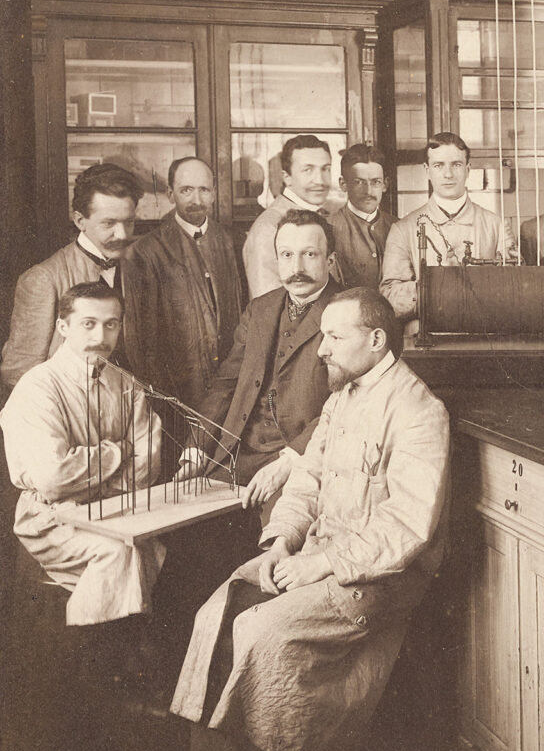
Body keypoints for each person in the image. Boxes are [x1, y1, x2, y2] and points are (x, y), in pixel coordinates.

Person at [169, 287, 450, 751]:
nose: (320, 350)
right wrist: (281, 542)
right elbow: (306, 482)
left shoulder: (419, 410)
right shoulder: (343, 400)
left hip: (380, 576)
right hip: (316, 555)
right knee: (216, 614)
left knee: (265, 637)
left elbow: (408, 528)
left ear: (377, 340)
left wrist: (318, 565)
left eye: (334, 338)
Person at [0, 282, 163, 626]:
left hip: (116, 510)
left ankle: (119, 652)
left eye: (111, 324)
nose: (100, 336)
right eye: (88, 323)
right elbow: (53, 479)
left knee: (153, 547)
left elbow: (148, 467)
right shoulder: (38, 387)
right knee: (119, 553)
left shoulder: (128, 386)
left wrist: (90, 471)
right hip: (51, 519)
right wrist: (119, 452)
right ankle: (92, 649)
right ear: (63, 327)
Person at [182, 208, 340, 522]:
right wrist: (196, 449)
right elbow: (226, 384)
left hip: (301, 457)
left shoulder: (350, 312)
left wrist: (291, 460)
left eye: (309, 254)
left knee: (276, 524)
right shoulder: (261, 309)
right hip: (239, 450)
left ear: (330, 260)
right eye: (286, 255)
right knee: (189, 524)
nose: (297, 268)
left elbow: (347, 404)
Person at [1, 163, 142, 390]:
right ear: (79, 221)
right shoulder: (44, 279)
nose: (123, 234)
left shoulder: (138, 270)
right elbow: (19, 376)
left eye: (129, 222)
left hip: (125, 411)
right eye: (109, 223)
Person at [124, 157, 242, 412]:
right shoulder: (146, 252)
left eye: (204, 190)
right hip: (178, 393)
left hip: (228, 390)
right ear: (170, 194)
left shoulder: (230, 243)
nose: (196, 200)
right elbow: (142, 345)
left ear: (213, 194)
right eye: (186, 190)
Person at [380, 131, 517, 320]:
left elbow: (514, 289)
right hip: (428, 339)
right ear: (427, 171)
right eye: (438, 165)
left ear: (468, 169)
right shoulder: (403, 229)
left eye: (456, 165)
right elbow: (389, 296)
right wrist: (436, 286)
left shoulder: (496, 225)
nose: (448, 174)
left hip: (483, 337)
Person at [242, 135, 337, 298]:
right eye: (308, 170)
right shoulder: (268, 228)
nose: (320, 180)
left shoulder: (327, 215)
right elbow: (269, 308)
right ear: (287, 177)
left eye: (325, 169)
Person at [330, 143, 395, 288]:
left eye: (376, 182)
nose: (368, 191)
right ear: (343, 184)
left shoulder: (399, 227)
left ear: (385, 184)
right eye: (359, 182)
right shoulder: (329, 228)